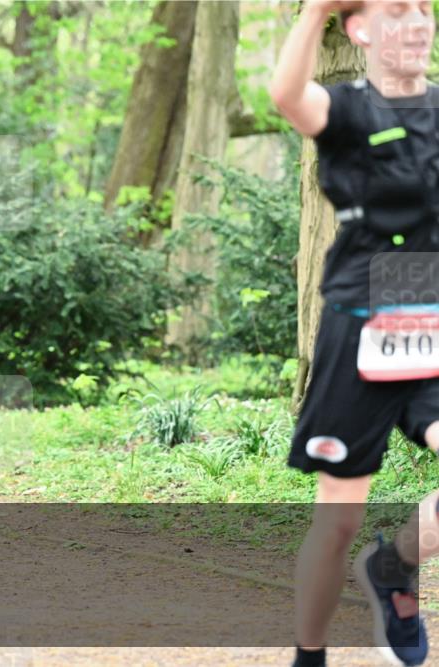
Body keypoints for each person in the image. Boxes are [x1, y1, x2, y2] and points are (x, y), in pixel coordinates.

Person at [270, 1, 439, 665]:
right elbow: (286, 94)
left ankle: (395, 565)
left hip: (428, 317)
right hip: (359, 318)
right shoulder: (348, 110)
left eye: (425, 10)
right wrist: (315, 10)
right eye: (398, 11)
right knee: (337, 521)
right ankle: (308, 656)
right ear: (361, 30)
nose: (419, 21)